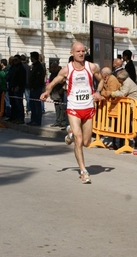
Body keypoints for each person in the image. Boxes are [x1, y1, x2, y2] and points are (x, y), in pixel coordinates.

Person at [40, 41, 103, 184]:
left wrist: (98, 92)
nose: (81, 53)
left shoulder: (91, 67)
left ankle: (70, 134)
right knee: (79, 140)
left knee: (87, 142)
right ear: (72, 53)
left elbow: (101, 80)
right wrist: (46, 92)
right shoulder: (67, 69)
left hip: (88, 108)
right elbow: (54, 81)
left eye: (83, 51)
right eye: (78, 51)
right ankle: (83, 171)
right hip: (74, 108)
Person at [27, 51, 45, 126]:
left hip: (36, 88)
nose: (30, 58)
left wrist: (34, 86)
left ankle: (37, 121)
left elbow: (38, 78)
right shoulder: (34, 66)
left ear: (33, 57)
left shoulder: (38, 66)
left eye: (31, 57)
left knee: (37, 105)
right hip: (33, 88)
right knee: (32, 105)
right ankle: (33, 120)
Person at [8, 54, 27, 124]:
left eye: (16, 60)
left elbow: (22, 79)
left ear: (19, 60)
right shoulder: (13, 67)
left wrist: (18, 86)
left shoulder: (21, 68)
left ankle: (20, 118)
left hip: (18, 88)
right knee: (13, 104)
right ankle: (14, 117)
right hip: (12, 87)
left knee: (19, 104)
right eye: (13, 60)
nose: (14, 61)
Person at [49, 62, 67, 128]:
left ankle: (63, 121)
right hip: (54, 93)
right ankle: (58, 121)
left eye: (54, 67)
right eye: (52, 67)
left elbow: (65, 82)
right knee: (57, 108)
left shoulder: (60, 74)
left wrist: (62, 89)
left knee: (62, 108)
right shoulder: (52, 75)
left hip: (60, 93)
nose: (53, 69)